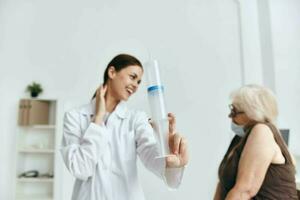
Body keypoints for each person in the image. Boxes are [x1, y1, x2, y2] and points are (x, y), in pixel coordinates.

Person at [60, 54, 189, 200]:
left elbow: (151, 156)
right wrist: (98, 119)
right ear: (112, 72)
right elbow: (80, 169)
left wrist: (168, 154)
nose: (136, 85)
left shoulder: (135, 119)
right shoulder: (74, 117)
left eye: (139, 82)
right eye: (132, 77)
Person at [214, 84, 299, 200]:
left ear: (252, 112)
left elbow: (245, 190)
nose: (230, 116)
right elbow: (222, 184)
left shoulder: (262, 131)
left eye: (234, 111)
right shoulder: (239, 138)